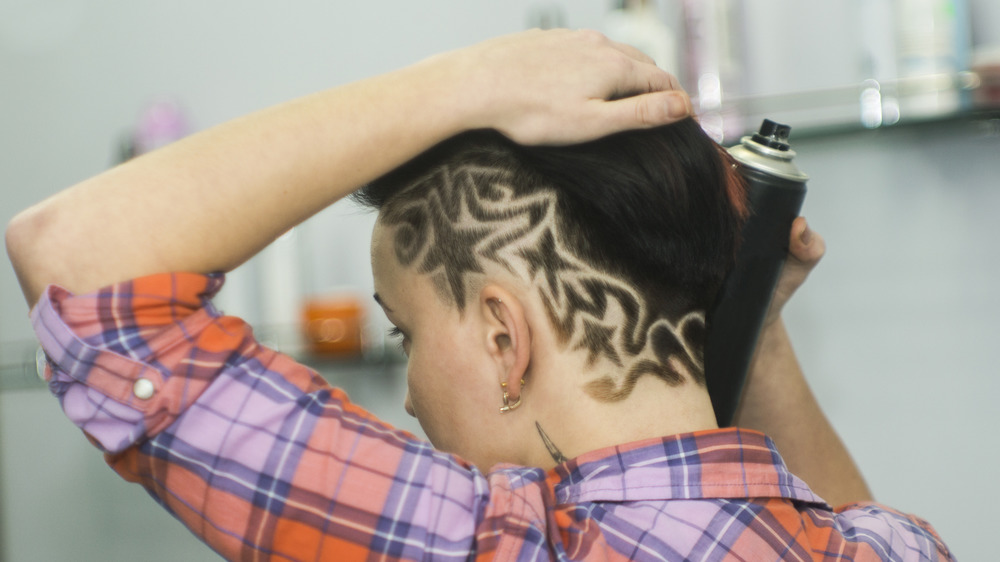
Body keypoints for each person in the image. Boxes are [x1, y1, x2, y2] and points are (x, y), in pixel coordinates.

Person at [6, 29, 951, 561]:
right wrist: (752, 328)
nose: (410, 389)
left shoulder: (482, 544)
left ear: (505, 337)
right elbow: (832, 519)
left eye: (405, 328)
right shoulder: (895, 547)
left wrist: (471, 80)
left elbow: (75, 259)